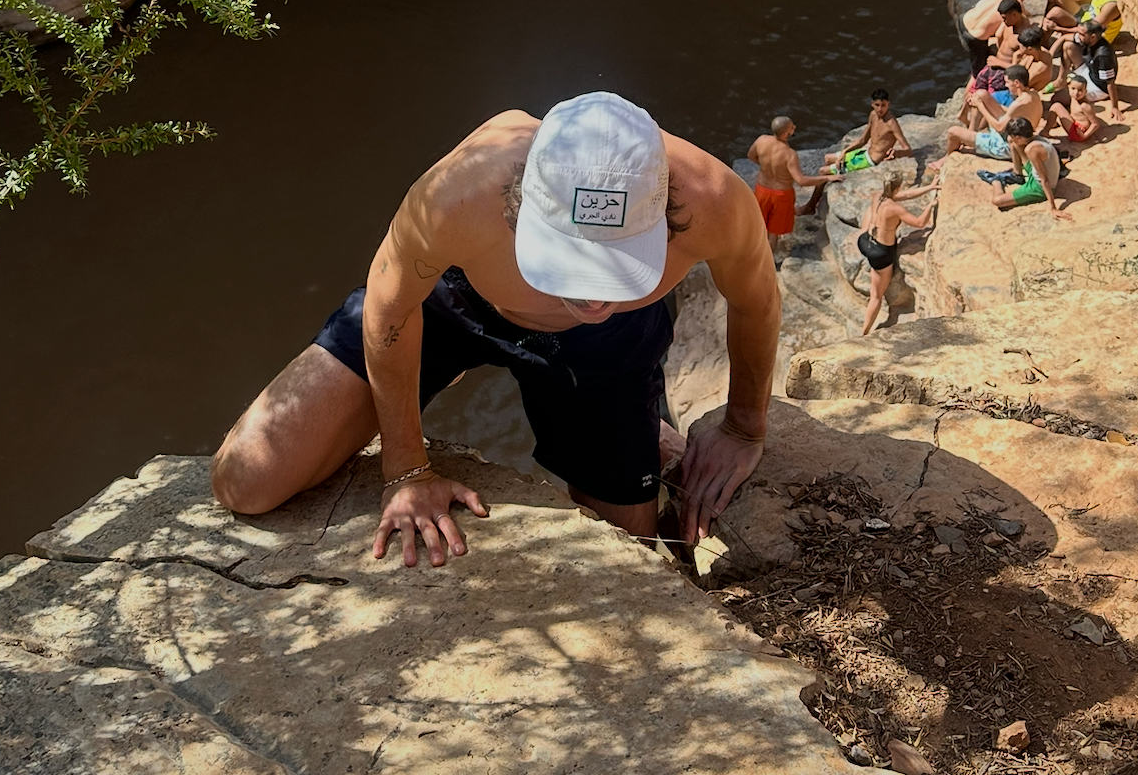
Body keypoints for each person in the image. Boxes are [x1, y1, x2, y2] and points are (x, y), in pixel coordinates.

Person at [211, 92, 780, 568]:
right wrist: (406, 468)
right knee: (247, 480)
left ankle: (643, 429)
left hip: (606, 350)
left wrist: (743, 427)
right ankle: (455, 368)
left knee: (630, 549)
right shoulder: (460, 194)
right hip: (459, 301)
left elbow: (755, 301)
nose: (592, 297)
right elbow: (389, 309)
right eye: (572, 264)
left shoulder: (713, 199)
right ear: (518, 206)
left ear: (665, 211)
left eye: (617, 266)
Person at [855, 171, 938, 336]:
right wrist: (931, 205)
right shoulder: (895, 208)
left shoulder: (878, 196)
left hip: (864, 241)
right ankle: (864, 332)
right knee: (876, 296)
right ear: (898, 186)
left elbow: (905, 195)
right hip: (881, 253)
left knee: (871, 217)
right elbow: (920, 223)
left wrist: (930, 187)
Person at [748, 115, 836, 255]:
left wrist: (766, 167)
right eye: (791, 127)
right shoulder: (789, 154)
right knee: (773, 233)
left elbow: (751, 155)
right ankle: (768, 262)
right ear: (785, 134)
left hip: (761, 190)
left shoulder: (761, 140)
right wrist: (826, 178)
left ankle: (755, 256)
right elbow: (801, 181)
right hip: (781, 195)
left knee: (761, 225)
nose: (794, 127)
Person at [945, 65, 1043, 163]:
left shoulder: (1018, 104)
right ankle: (971, 133)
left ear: (1017, 83)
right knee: (981, 95)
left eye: (1007, 82)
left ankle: (947, 158)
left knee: (952, 132)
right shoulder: (1034, 94)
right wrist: (988, 104)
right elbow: (1014, 113)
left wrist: (981, 106)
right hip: (1023, 134)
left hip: (1005, 146)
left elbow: (999, 128)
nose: (1006, 85)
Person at [988, 118, 1072, 219]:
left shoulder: (1031, 149)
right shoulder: (1037, 138)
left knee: (997, 201)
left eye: (1013, 136)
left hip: (1039, 187)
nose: (1011, 137)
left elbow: (1044, 179)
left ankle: (996, 181)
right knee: (1011, 142)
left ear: (1019, 137)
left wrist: (1053, 207)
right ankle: (1017, 173)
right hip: (1035, 171)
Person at [961, 0, 1038, 78]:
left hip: (964, 19)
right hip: (975, 37)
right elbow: (1022, 21)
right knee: (979, 73)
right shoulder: (1017, 6)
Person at [824, 88, 915, 173]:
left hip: (871, 160)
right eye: (877, 105)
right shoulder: (873, 115)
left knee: (823, 171)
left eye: (883, 105)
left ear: (888, 104)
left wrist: (897, 153)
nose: (880, 109)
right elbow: (863, 140)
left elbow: (908, 150)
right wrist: (844, 152)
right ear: (872, 104)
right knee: (827, 158)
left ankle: (826, 182)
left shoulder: (891, 123)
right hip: (865, 153)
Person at [1067, 21, 1121, 117]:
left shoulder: (1103, 55)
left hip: (1098, 87)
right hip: (1089, 72)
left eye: (1082, 34)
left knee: (1062, 96)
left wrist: (1115, 107)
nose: (1078, 36)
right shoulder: (1088, 40)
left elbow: (1110, 83)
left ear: (1093, 37)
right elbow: (1065, 38)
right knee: (1068, 46)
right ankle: (1061, 80)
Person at [1047, 74, 1107, 146]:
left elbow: (1095, 123)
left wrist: (1085, 135)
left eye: (1080, 90)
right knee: (1059, 105)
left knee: (1056, 106)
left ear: (1086, 91)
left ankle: (1045, 132)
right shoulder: (1073, 98)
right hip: (1075, 125)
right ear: (1068, 88)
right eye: (1073, 88)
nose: (1076, 93)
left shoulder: (1084, 106)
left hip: (1078, 133)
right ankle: (1052, 123)